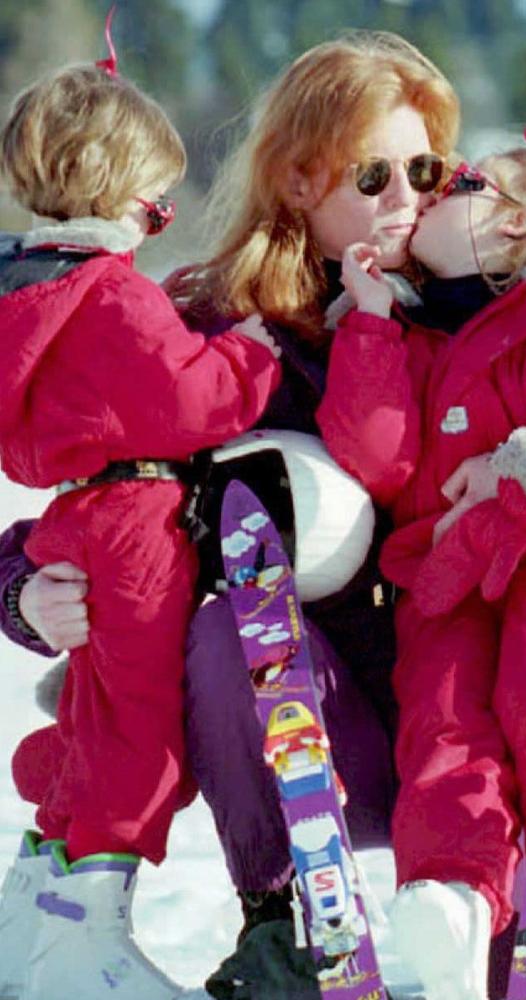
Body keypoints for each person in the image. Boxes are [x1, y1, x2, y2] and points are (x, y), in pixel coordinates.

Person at [0, 31, 467, 1000]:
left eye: (426, 170)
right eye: (372, 174)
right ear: (298, 180)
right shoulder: (211, 335)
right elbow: (99, 502)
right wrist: (21, 592)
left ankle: (484, 916)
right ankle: (286, 927)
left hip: (442, 726)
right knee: (229, 622)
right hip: (291, 718)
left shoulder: (472, 323)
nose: (406, 199)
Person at [316, 114, 526, 1000]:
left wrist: (514, 471)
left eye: (459, 185)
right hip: (451, 583)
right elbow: (376, 455)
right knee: (444, 726)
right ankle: (452, 898)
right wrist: (374, 329)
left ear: (511, 224)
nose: (430, 193)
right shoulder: (416, 331)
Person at [0, 33, 283, 1000]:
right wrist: (252, 353)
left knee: (93, 714)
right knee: (140, 732)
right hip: (137, 526)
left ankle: (34, 903)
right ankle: (90, 936)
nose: (162, 219)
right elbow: (189, 398)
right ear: (119, 192)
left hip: (78, 511)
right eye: (155, 202)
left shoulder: (33, 290)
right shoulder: (114, 296)